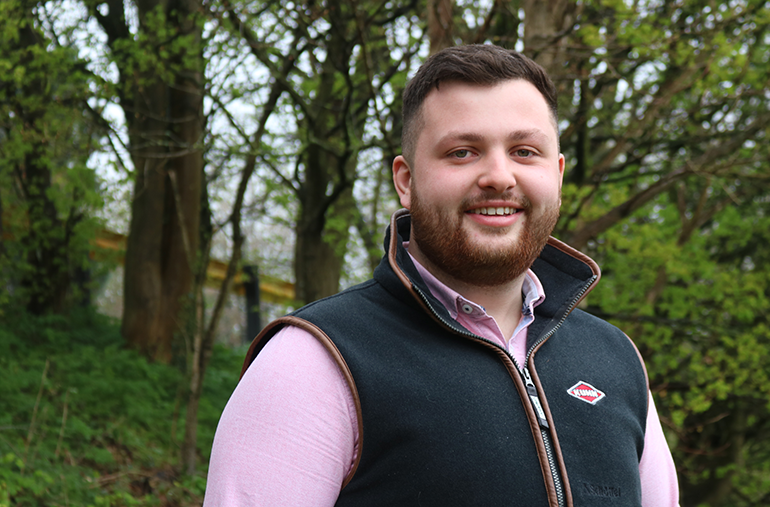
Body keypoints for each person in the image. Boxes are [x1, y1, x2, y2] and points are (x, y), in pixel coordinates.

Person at [204, 44, 679, 506]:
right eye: (462, 152)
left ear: (556, 173)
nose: (498, 175)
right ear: (406, 180)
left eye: (524, 151)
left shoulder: (616, 363)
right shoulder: (314, 361)